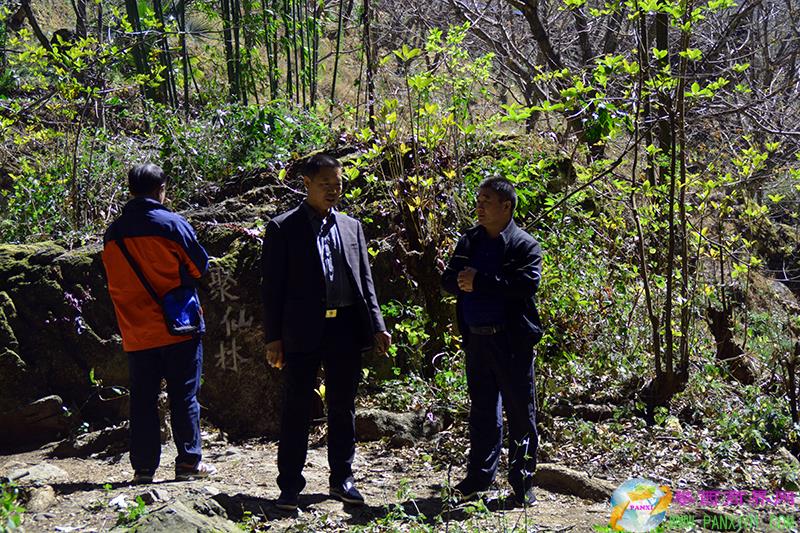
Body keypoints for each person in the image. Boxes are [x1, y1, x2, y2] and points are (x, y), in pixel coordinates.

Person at [261, 153, 391, 511]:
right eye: (325, 184)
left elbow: (365, 281)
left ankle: (343, 478)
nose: (333, 190)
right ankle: (290, 484)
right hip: (301, 330)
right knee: (297, 406)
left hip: (344, 327)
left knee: (343, 406)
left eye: (338, 184)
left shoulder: (351, 227)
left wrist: (377, 325)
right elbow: (272, 289)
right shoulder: (283, 228)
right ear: (307, 184)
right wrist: (273, 338)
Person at [102, 163, 216, 484]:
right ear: (161, 189)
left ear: (130, 190)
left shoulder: (113, 233)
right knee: (184, 396)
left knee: (142, 400)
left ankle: (143, 468)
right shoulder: (172, 224)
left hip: (136, 331)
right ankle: (189, 462)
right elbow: (199, 267)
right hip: (178, 327)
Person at [441, 177, 543, 506]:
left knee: (520, 413)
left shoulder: (524, 245)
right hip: (476, 339)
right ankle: (478, 480)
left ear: (506, 206)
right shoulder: (470, 240)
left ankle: (522, 484)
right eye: (478, 200)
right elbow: (448, 279)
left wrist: (480, 281)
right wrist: (461, 281)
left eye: (487, 201)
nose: (480, 207)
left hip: (511, 342)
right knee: (483, 412)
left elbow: (525, 285)